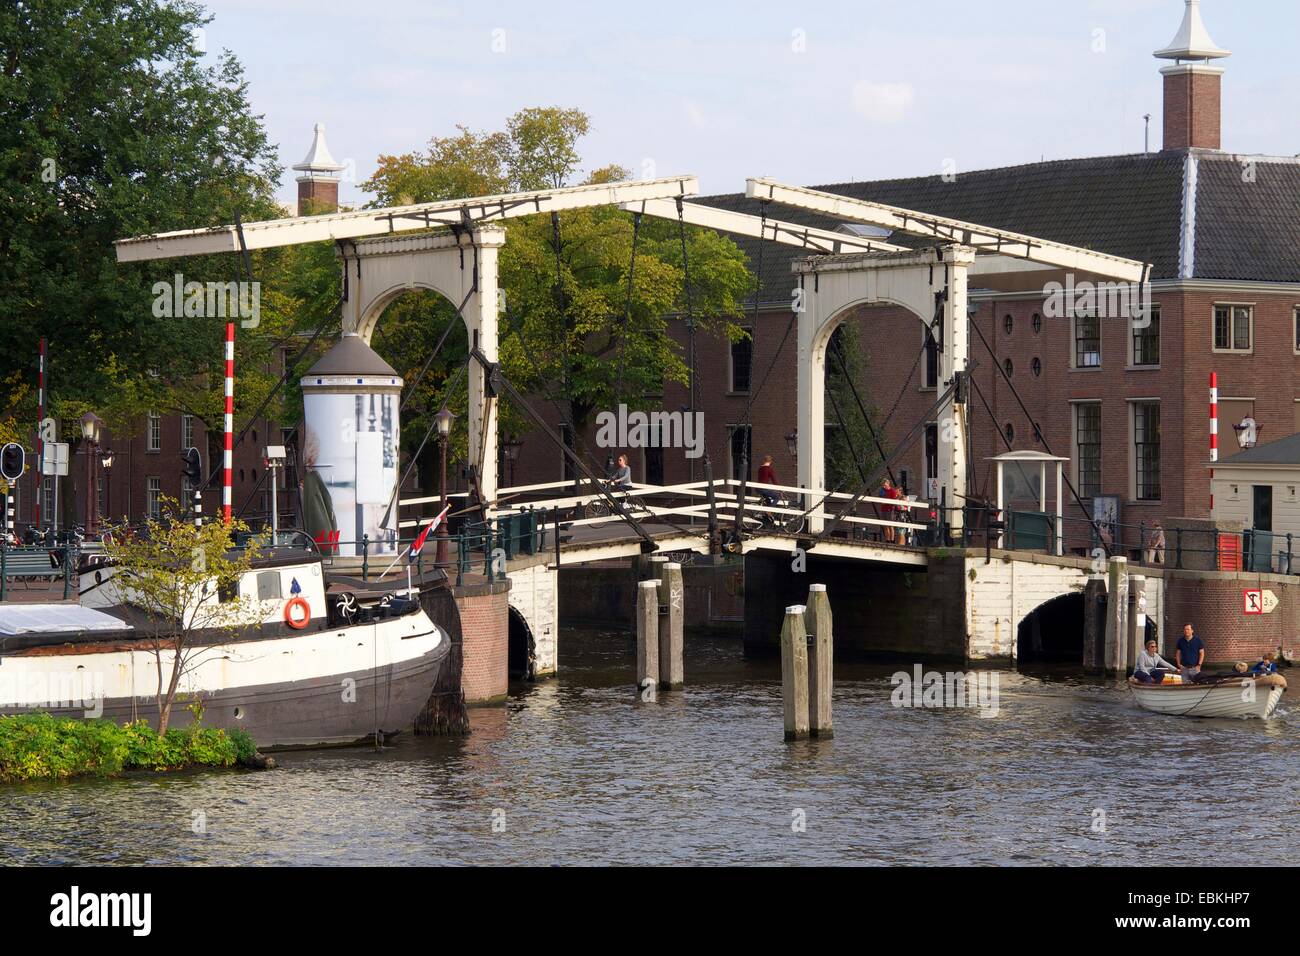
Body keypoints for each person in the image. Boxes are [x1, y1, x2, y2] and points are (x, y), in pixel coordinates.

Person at [879, 478, 898, 544]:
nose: (884, 486)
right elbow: (880, 498)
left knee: (891, 525)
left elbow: (893, 501)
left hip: (890, 510)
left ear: (888, 484)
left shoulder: (892, 491)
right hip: (883, 509)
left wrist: (885, 502)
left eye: (885, 485)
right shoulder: (882, 490)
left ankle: (892, 540)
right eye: (883, 485)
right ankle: (887, 539)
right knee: (885, 525)